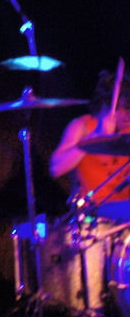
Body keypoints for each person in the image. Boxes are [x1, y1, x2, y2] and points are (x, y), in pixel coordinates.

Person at [50, 70, 130, 213]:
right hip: (93, 210)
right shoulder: (82, 126)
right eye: (126, 108)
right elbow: (55, 168)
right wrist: (93, 137)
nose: (129, 115)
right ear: (108, 104)